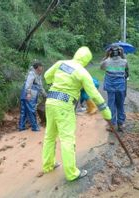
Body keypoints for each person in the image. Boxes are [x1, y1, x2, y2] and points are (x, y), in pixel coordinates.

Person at [42, 46, 112, 181]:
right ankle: (71, 173)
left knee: (49, 136)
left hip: (50, 102)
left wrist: (57, 83)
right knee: (67, 139)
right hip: (64, 105)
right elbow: (95, 95)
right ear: (86, 60)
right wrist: (106, 112)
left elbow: (46, 76)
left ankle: (48, 165)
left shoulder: (60, 63)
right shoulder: (83, 73)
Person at [100, 44, 128, 132]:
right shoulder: (124, 62)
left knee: (111, 105)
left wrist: (106, 55)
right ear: (120, 52)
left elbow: (101, 67)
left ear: (110, 52)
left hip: (110, 87)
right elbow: (126, 70)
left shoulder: (107, 62)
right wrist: (122, 54)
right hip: (120, 87)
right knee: (120, 105)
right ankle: (121, 124)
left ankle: (111, 125)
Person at [18, 61, 47, 132]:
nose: (40, 71)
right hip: (30, 94)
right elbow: (29, 83)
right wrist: (28, 93)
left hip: (25, 93)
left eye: (41, 70)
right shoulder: (32, 74)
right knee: (31, 110)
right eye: (39, 70)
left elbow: (40, 86)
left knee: (24, 111)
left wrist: (44, 94)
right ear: (36, 69)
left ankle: (21, 127)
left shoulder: (37, 74)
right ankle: (35, 127)